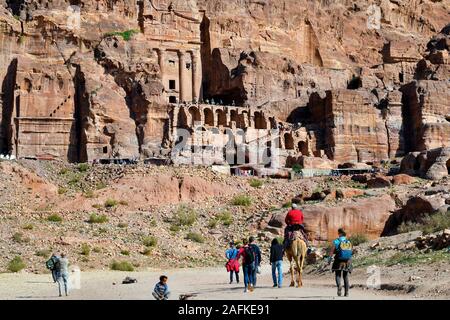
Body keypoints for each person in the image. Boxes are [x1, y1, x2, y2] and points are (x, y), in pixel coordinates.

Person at [328, 228, 353, 297]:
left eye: (338, 233)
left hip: (338, 260)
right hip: (347, 261)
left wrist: (329, 260)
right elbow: (351, 252)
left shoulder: (336, 241)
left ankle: (339, 286)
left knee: (338, 275)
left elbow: (331, 252)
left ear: (340, 233)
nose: (338, 234)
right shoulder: (348, 242)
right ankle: (346, 293)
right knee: (345, 276)